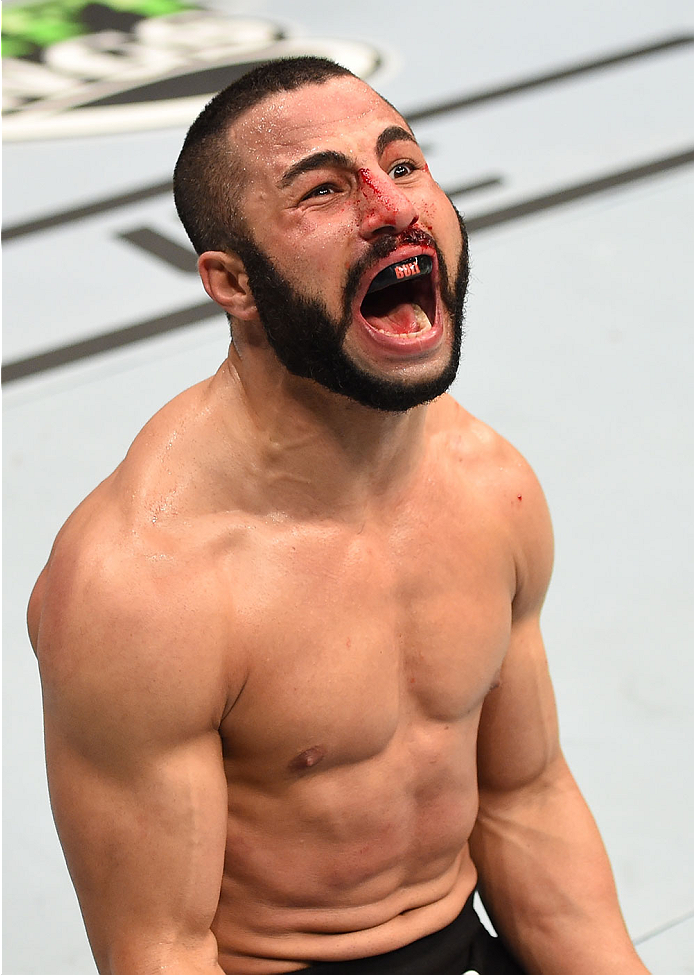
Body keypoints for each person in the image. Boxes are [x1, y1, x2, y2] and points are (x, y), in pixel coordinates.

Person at [28, 57, 648, 975]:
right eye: (322, 190)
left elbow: (528, 800)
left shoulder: (490, 486)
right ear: (233, 284)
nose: (392, 207)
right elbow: (160, 948)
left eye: (402, 165)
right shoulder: (141, 586)